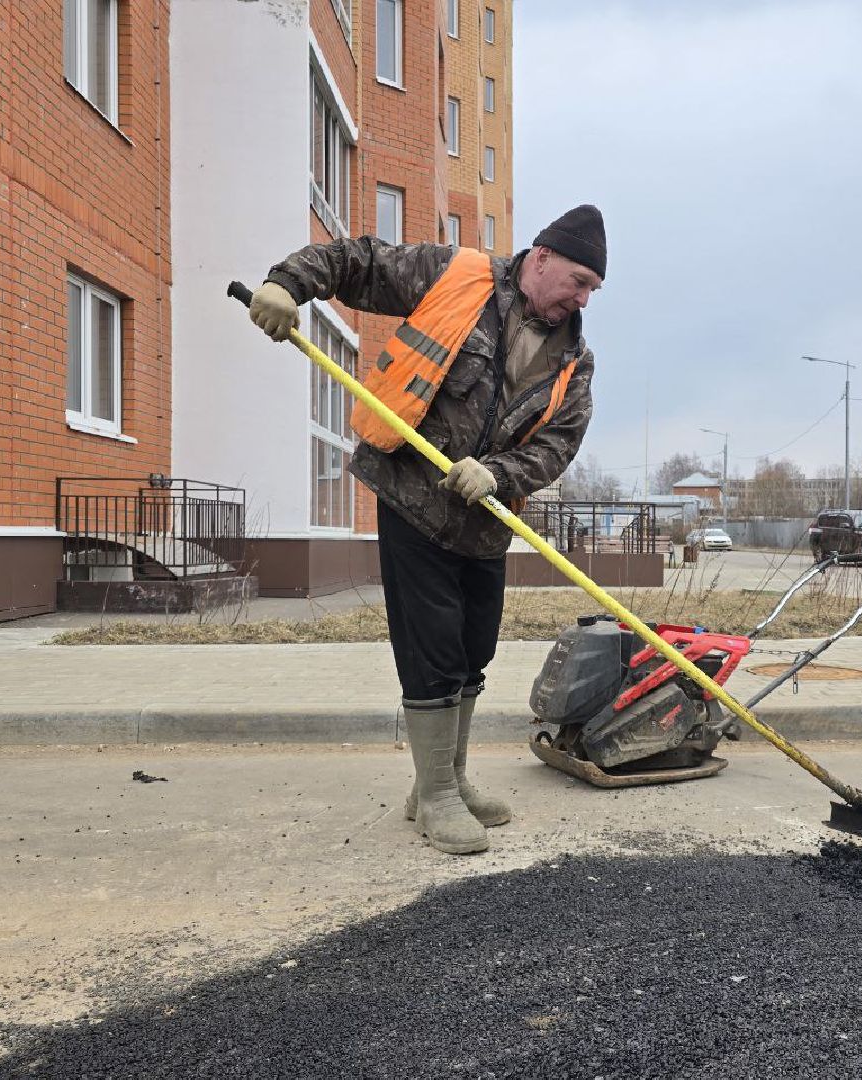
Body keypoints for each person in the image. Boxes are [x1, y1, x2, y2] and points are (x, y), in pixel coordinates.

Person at [248, 206, 605, 854]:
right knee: (432, 649)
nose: (583, 299)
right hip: (414, 497)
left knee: (473, 649)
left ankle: (447, 781)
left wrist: (498, 473)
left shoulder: (574, 361)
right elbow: (360, 263)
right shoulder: (458, 276)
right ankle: (435, 795)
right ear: (542, 258)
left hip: (485, 521)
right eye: (579, 282)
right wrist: (287, 284)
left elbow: (559, 445)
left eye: (592, 290)